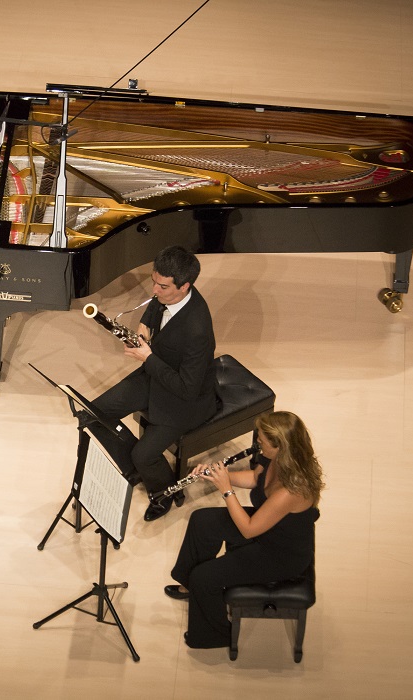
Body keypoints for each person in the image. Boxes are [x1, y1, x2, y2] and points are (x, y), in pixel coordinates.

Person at [165, 410, 324, 649]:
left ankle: (213, 636)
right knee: (202, 521)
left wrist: (226, 490)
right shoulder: (276, 458)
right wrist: (218, 474)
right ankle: (191, 586)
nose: (257, 443)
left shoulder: (292, 490)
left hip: (280, 553)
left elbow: (249, 530)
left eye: (262, 441)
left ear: (280, 445)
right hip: (270, 526)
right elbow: (254, 478)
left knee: (204, 577)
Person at [89, 245, 218, 522]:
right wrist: (144, 326)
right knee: (93, 414)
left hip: (184, 401)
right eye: (153, 282)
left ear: (184, 286)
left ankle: (164, 492)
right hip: (157, 377)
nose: (155, 291)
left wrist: (148, 358)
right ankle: (137, 470)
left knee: (144, 453)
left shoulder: (198, 330)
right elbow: (156, 308)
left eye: (162, 286)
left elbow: (187, 388)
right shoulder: (168, 294)